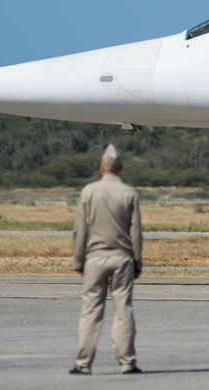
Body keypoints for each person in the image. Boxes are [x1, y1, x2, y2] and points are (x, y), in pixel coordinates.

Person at [69, 144, 143, 375]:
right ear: (120, 167)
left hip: (95, 258)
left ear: (102, 167)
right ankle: (127, 362)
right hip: (122, 259)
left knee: (91, 311)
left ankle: (83, 364)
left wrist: (78, 261)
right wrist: (138, 262)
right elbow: (136, 233)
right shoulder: (130, 193)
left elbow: (80, 230)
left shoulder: (89, 191)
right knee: (124, 310)